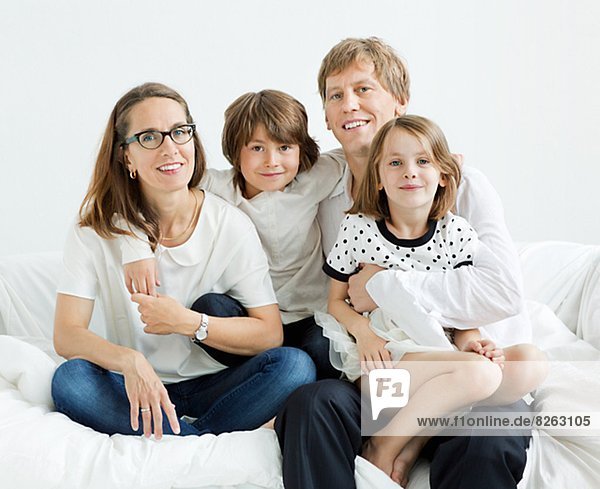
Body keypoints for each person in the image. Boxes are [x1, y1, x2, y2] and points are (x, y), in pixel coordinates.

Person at [275, 37, 537, 489]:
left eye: (364, 89)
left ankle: (407, 440)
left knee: (489, 433)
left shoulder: (459, 184)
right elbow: (243, 186)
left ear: (400, 102)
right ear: (326, 116)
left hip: (476, 376)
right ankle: (394, 439)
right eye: (335, 95)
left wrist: (389, 282)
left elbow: (501, 292)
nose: (349, 104)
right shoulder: (323, 194)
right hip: (393, 373)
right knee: (312, 404)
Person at [51, 82, 316, 440]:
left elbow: (269, 333)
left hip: (217, 385)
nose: (170, 149)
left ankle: (179, 441)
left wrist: (188, 322)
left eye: (179, 132)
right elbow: (67, 334)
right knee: (71, 380)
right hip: (135, 387)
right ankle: (194, 443)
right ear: (125, 156)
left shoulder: (228, 224)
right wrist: (130, 362)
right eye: (149, 137)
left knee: (295, 367)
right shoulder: (95, 229)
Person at [319, 114, 548, 485]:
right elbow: (334, 301)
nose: (409, 171)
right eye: (395, 163)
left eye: (422, 161)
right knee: (476, 373)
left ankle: (416, 438)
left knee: (531, 363)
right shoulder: (358, 228)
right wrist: (364, 333)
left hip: (444, 357)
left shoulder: (455, 232)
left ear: (443, 173)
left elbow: (457, 311)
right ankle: (385, 446)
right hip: (388, 366)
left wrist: (473, 341)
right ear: (377, 177)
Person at [119, 89, 344, 379]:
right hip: (250, 319)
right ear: (235, 151)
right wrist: (134, 245)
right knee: (208, 307)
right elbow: (146, 189)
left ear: (302, 149)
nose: (272, 161)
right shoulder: (216, 186)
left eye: (285, 147)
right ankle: (253, 381)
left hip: (310, 315)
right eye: (257, 148)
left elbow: (363, 155)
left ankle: (289, 391)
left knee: (322, 350)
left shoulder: (317, 175)